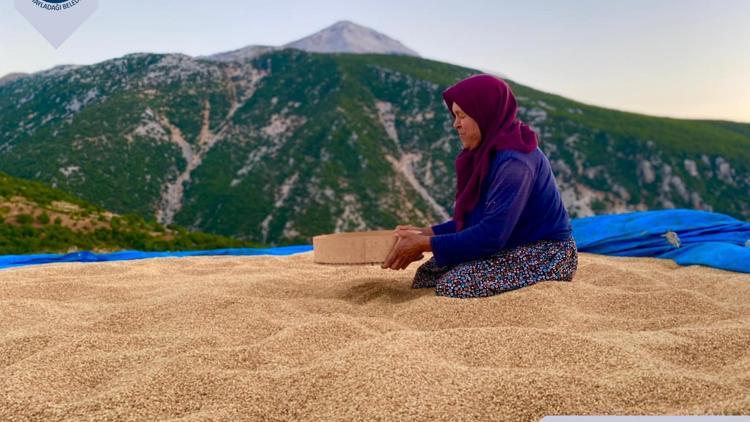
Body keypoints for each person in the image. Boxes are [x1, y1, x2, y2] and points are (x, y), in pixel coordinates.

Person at [381, 74, 578, 299]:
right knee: (427, 276)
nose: (456, 124)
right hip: (509, 243)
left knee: (453, 286)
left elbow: (492, 235)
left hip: (546, 252)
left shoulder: (515, 162)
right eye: (454, 115)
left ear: (484, 114)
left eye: (461, 115)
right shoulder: (487, 155)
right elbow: (472, 221)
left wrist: (424, 244)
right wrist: (421, 233)